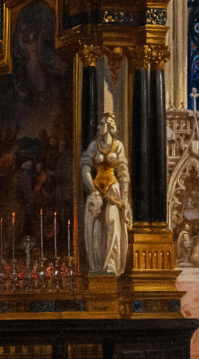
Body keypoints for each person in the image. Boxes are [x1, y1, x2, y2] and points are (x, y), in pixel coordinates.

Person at [81, 112, 132, 274]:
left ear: (110, 126)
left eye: (103, 124)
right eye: (99, 124)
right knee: (95, 226)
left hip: (113, 189)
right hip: (95, 189)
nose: (99, 127)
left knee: (112, 221)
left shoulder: (118, 146)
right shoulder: (93, 146)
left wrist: (124, 196)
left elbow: (124, 173)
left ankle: (111, 264)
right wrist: (93, 190)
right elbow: (85, 171)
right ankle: (97, 264)